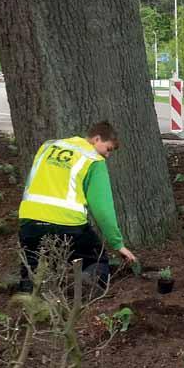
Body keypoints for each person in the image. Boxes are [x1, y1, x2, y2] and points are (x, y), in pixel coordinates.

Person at [18, 121, 137, 291]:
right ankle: (88, 293)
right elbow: (102, 209)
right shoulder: (93, 160)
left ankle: (28, 304)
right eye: (108, 149)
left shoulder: (48, 147)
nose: (108, 155)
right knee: (96, 258)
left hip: (29, 220)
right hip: (68, 225)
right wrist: (118, 244)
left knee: (31, 266)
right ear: (96, 139)